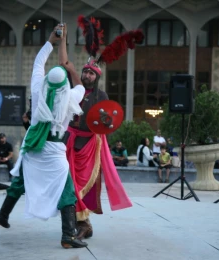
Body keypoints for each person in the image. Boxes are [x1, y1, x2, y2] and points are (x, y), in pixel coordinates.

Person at [9, 24, 87, 248]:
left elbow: (37, 65)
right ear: (64, 85)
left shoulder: (37, 90)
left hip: (34, 150)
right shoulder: (70, 97)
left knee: (23, 181)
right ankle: (67, 236)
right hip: (55, 153)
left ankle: (4, 214)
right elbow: (80, 85)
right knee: (67, 191)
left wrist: (51, 41)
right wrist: (71, 69)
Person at [60, 24, 132, 240]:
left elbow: (108, 123)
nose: (87, 75)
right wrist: (62, 38)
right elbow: (65, 64)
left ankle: (83, 224)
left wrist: (106, 120)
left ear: (97, 76)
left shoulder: (101, 96)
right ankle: (78, 224)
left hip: (89, 145)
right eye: (85, 71)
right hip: (68, 142)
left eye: (91, 73)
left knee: (81, 185)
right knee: (67, 183)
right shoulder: (74, 88)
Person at [0, 111, 31, 228]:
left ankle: (2, 215)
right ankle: (69, 233)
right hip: (41, 155)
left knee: (18, 184)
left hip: (32, 157)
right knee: (64, 185)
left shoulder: (33, 126)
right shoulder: (41, 121)